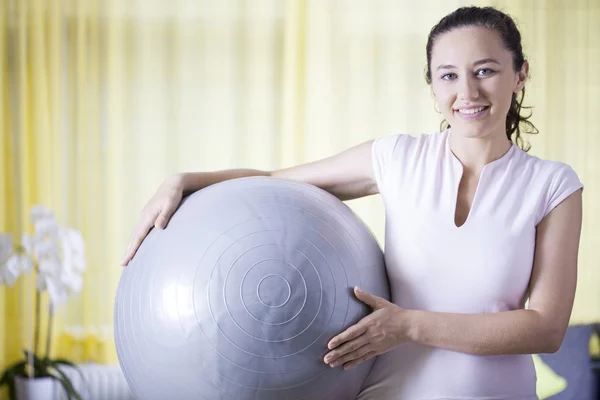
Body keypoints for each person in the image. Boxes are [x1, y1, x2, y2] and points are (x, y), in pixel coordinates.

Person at [120, 6, 583, 400]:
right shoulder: (398, 158)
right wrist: (184, 180)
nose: (467, 92)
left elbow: (544, 327)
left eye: (485, 70)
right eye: (448, 75)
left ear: (520, 74)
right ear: (432, 85)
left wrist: (408, 327)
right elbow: (275, 183)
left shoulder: (552, 186)